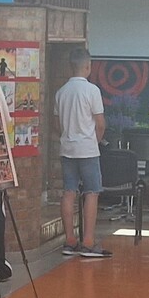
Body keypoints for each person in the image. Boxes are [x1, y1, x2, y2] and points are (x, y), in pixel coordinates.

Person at [53, 52, 112, 259]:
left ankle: (70, 241)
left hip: (67, 149)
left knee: (69, 192)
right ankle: (88, 242)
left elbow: (56, 124)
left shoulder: (61, 92)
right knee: (92, 192)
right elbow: (100, 123)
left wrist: (67, 136)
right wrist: (95, 141)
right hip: (87, 149)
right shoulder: (92, 90)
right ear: (88, 67)